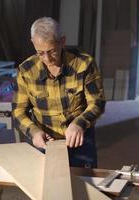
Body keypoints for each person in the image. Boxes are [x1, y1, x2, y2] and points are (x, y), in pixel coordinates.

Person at [12, 17, 105, 168]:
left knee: (85, 185)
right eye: (40, 52)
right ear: (32, 43)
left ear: (62, 41)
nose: (47, 58)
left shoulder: (84, 64)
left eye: (52, 51)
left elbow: (97, 103)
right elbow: (18, 112)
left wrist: (79, 124)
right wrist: (34, 132)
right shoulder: (26, 71)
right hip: (46, 142)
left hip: (80, 138)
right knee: (45, 187)